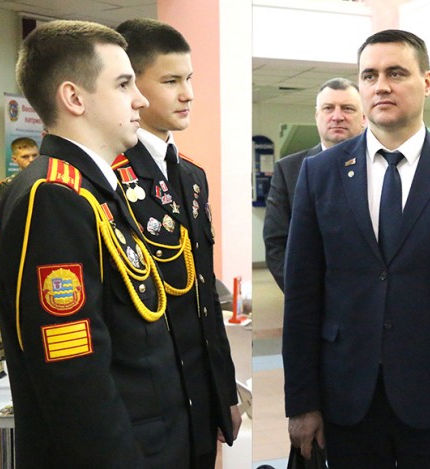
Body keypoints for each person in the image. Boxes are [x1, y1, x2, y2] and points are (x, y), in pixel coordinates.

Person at [282, 29, 430, 468]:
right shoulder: (320, 174)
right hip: (345, 399)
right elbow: (302, 298)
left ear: (427, 82)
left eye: (396, 73)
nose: (381, 86)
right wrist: (301, 401)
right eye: (369, 75)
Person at [0, 20, 192, 468]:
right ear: (74, 98)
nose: (140, 99)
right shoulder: (53, 197)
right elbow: (74, 380)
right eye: (123, 84)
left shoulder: (95, 190)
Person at [113, 18, 241, 468]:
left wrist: (225, 392)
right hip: (149, 412)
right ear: (130, 86)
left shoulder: (191, 175)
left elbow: (203, 297)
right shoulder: (110, 177)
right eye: (171, 81)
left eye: (189, 79)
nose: (187, 94)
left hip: (200, 402)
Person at [263, 77, 365, 290]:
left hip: (370, 299)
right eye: (328, 108)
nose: (337, 116)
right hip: (311, 297)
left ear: (364, 117)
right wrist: (302, 294)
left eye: (347, 108)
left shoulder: (382, 166)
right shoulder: (289, 170)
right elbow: (276, 243)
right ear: (317, 116)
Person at [0, 137, 39, 219]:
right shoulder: (6, 185)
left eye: (35, 155)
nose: (31, 160)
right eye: (25, 157)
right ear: (14, 159)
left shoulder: (49, 180)